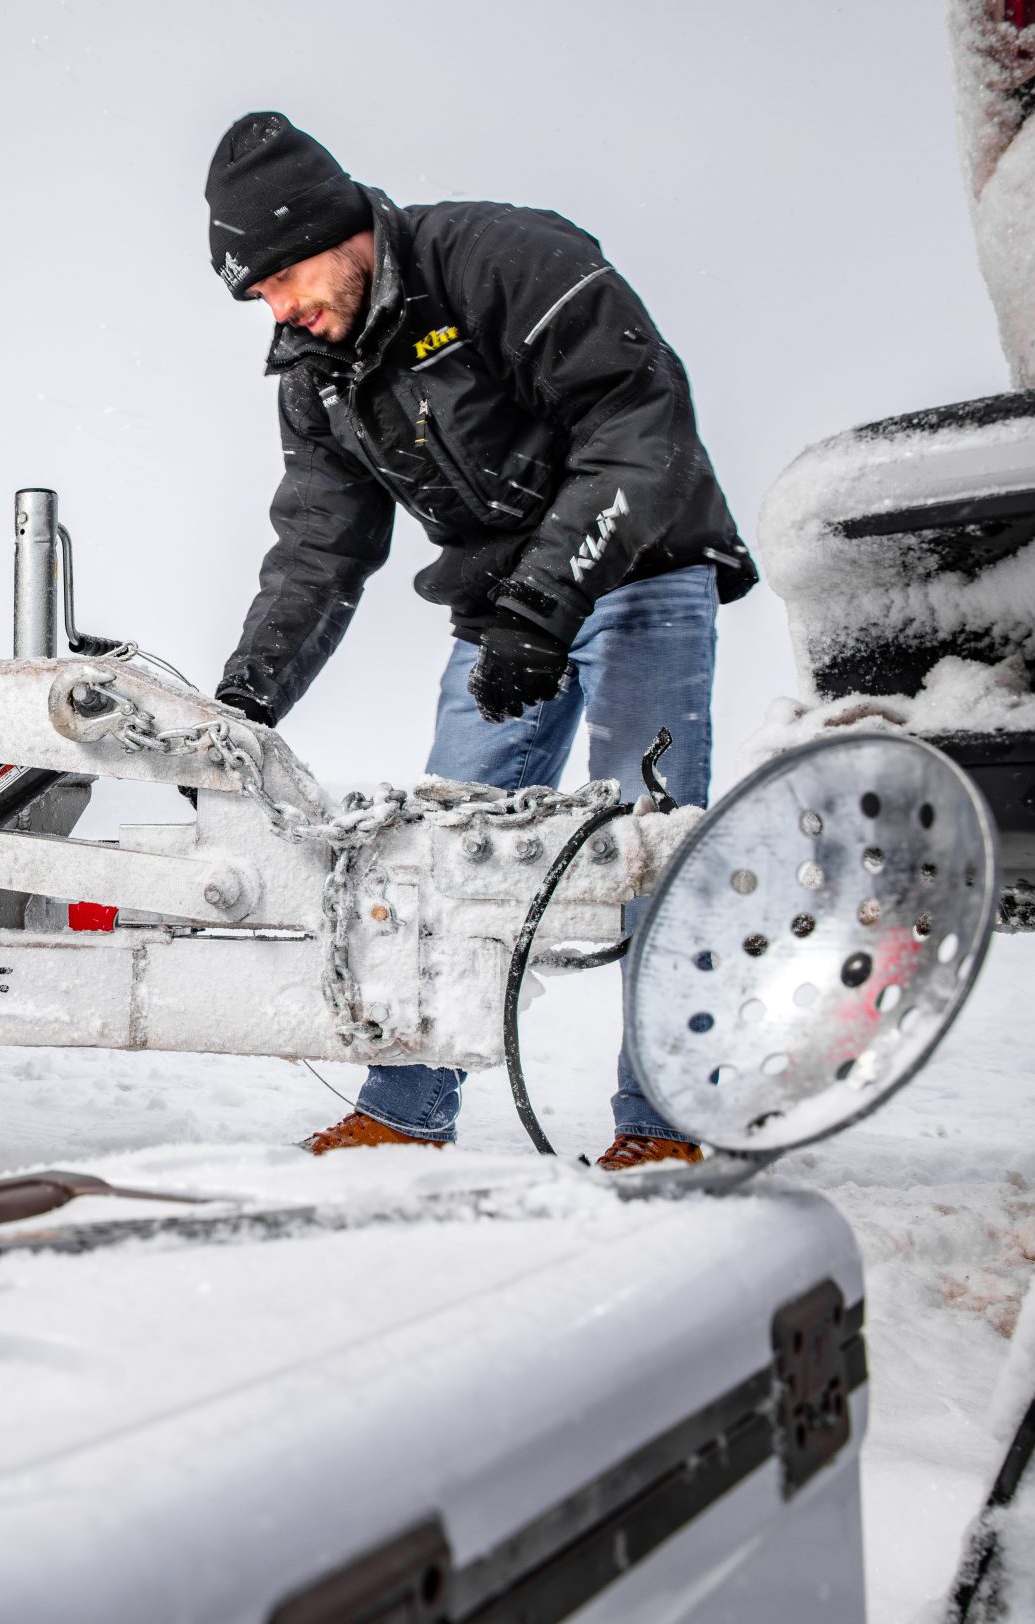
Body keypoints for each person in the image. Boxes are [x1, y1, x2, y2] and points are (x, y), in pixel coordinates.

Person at [204, 112, 756, 1171]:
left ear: (332, 230)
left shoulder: (501, 259)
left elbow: (638, 427)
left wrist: (546, 607)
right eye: (259, 299)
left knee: (649, 851)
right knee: (442, 862)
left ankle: (663, 1121)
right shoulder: (317, 376)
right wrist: (241, 708)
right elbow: (321, 544)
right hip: (501, 613)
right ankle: (406, 1108)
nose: (281, 311)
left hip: (636, 567)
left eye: (281, 280)